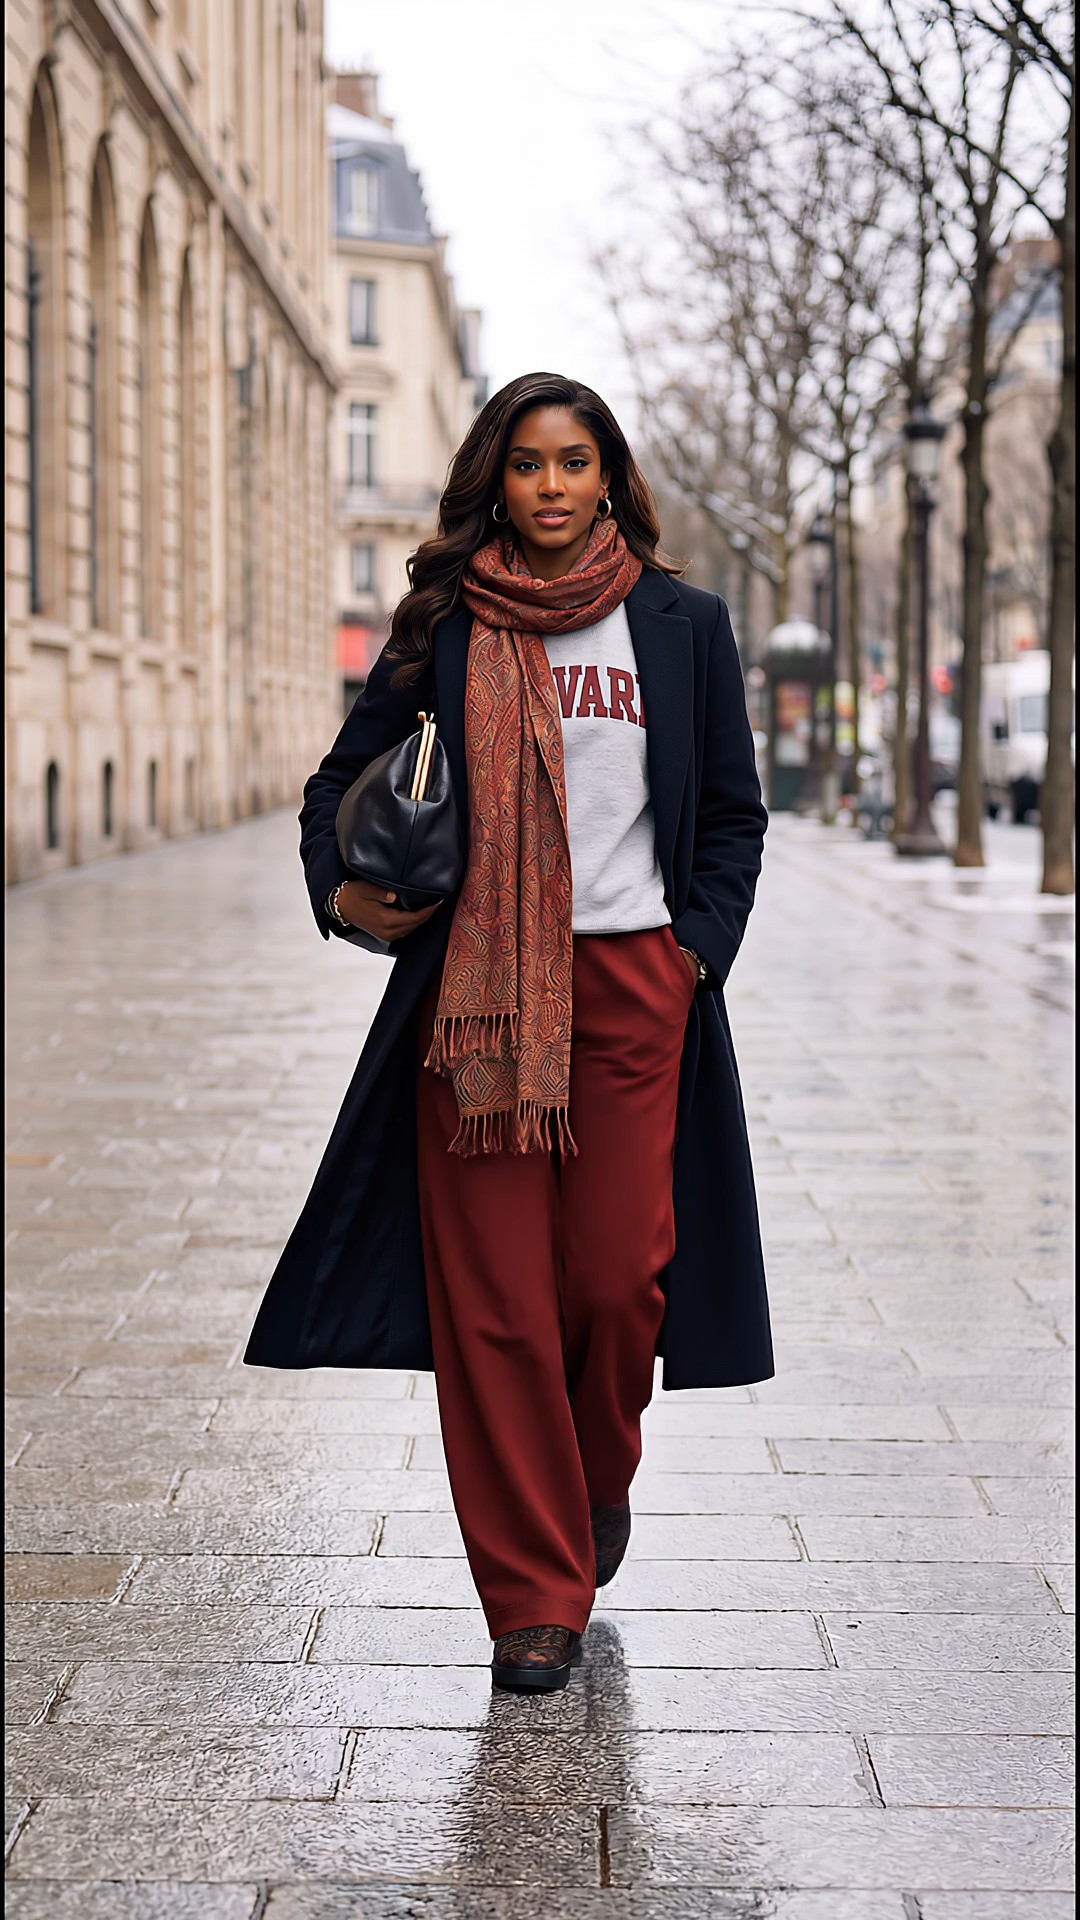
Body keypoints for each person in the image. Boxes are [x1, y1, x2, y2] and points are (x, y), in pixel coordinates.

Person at [245, 372, 773, 1693]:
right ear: (498, 477)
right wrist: (339, 893)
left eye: (573, 461)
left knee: (614, 1283)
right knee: (497, 1306)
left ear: (609, 479)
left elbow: (730, 814)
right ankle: (533, 1596)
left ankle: (595, 1481)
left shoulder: (683, 625)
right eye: (527, 462)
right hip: (473, 1006)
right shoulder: (447, 624)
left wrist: (694, 952)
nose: (549, 485)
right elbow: (336, 787)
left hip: (634, 989)